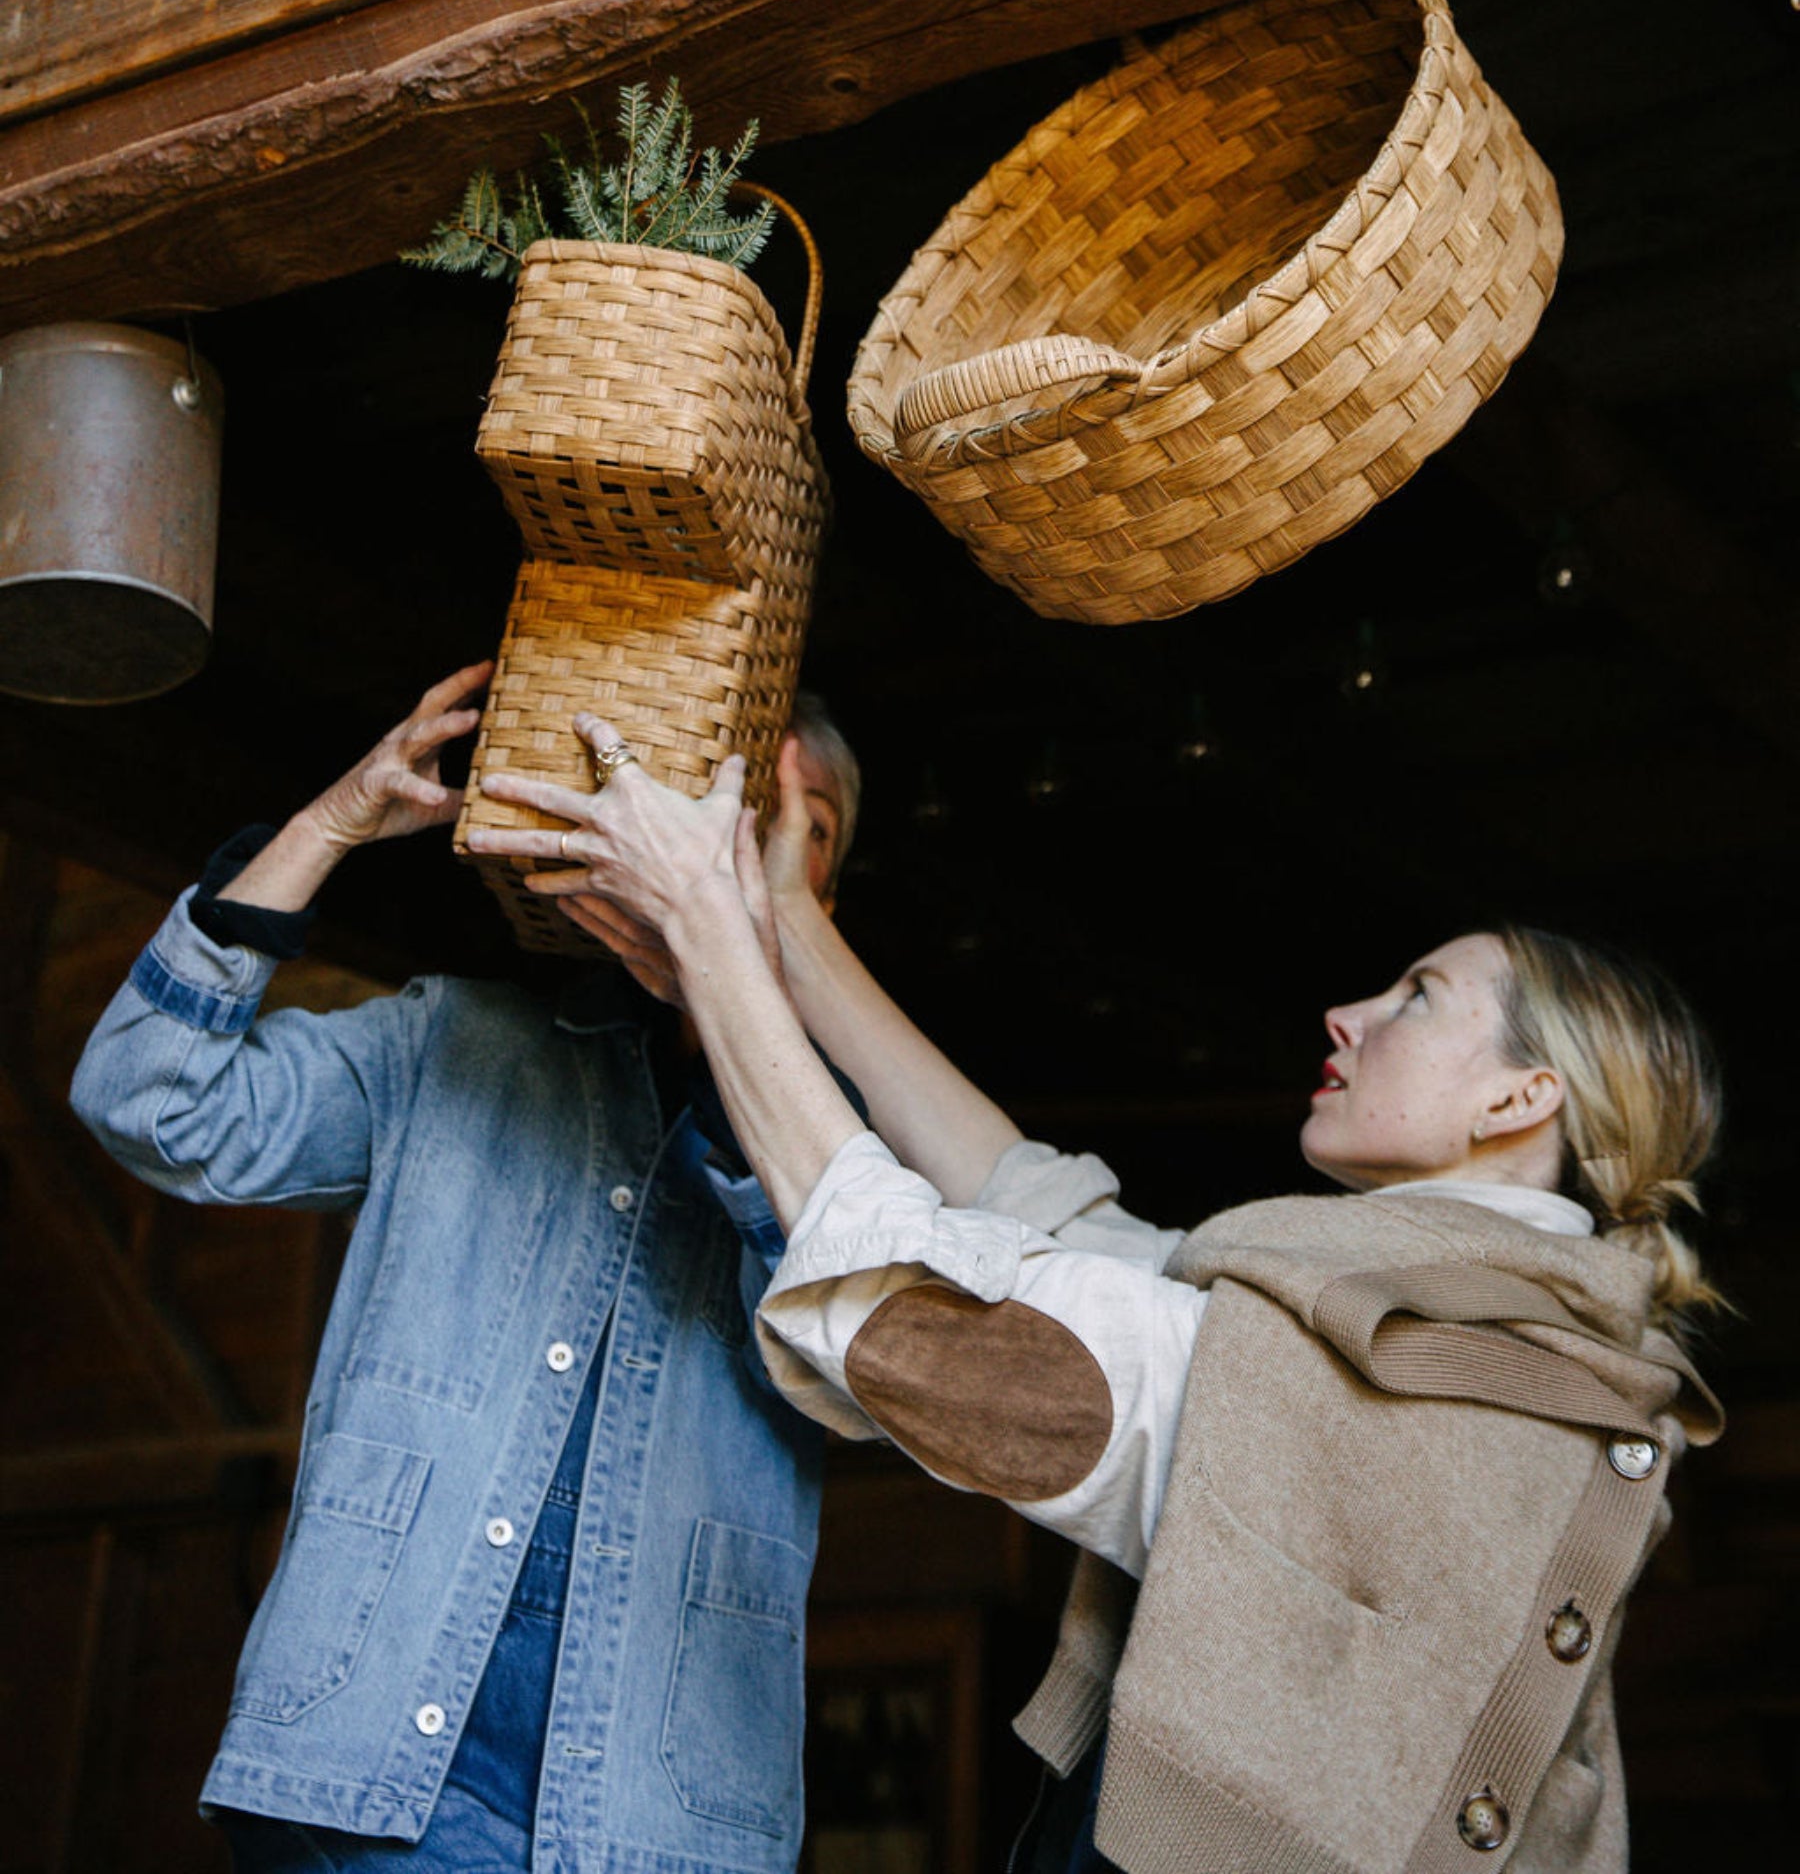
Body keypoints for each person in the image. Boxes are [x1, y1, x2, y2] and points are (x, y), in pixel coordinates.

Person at [468, 722, 1726, 1874]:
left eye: (1417, 999)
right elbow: (1047, 1214)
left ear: (1519, 1102)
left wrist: (708, 930)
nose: (1347, 1015)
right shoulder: (1443, 1334)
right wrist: (789, 928)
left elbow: (953, 1342)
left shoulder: (1445, 1387)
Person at [70, 667, 862, 1874]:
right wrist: (328, 824)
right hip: (372, 1765)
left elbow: (866, 1378)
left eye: (771, 829)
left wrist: (727, 999)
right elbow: (147, 1095)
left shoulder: (851, 1172)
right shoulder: (449, 1042)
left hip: (660, 1821)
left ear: (828, 886)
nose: (721, 852)